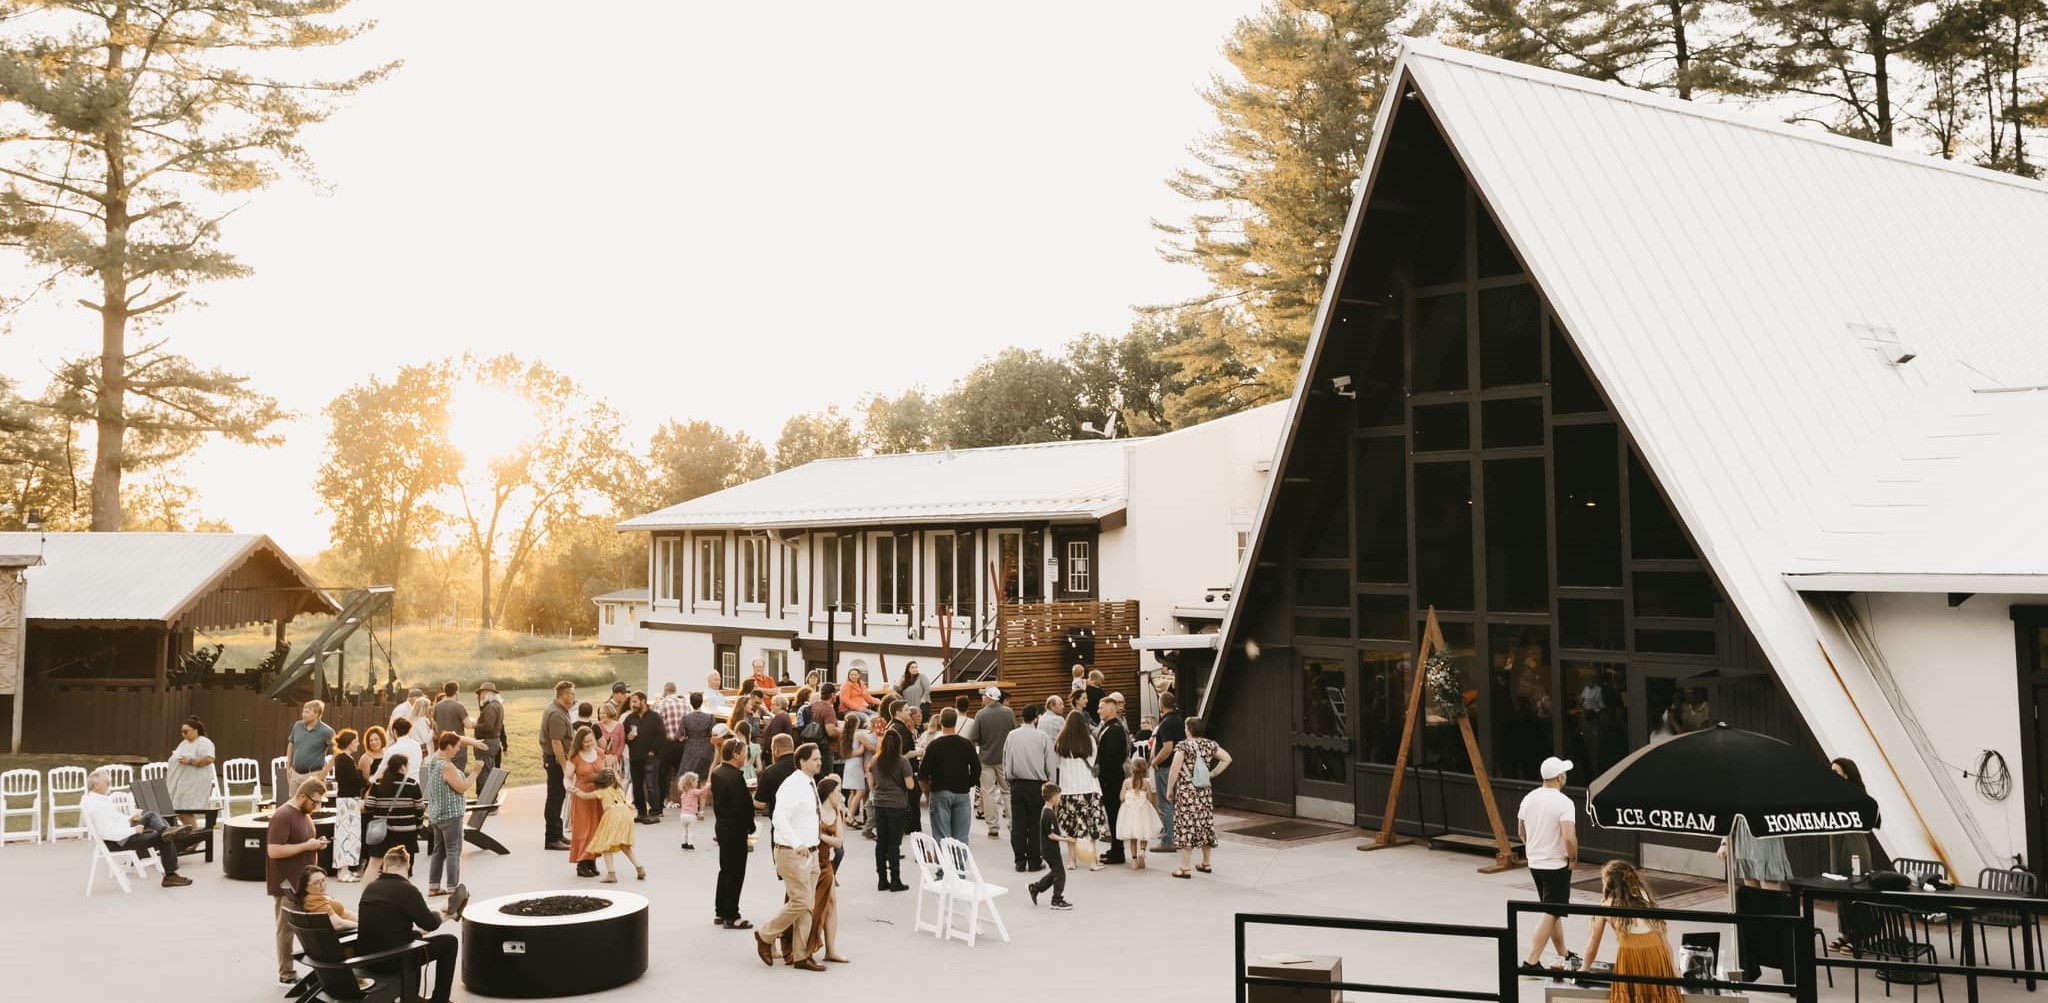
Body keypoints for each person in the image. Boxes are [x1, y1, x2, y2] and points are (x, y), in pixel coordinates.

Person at [755, 743, 825, 972]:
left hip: (811, 852)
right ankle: (765, 935)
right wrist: (797, 843)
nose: (819, 762)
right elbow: (779, 818)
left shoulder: (808, 782)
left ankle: (801, 955)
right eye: (815, 759)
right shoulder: (792, 785)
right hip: (792, 852)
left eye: (819, 758)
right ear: (803, 761)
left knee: (807, 906)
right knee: (801, 901)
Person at [358, 846, 459, 1003]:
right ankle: (440, 999)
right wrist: (444, 914)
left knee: (414, 936)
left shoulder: (371, 888)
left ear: (384, 866)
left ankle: (415, 995)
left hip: (367, 958)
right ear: (408, 865)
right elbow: (430, 923)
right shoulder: (407, 889)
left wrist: (444, 912)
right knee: (449, 942)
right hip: (393, 959)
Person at [1580, 860, 1681, 1003]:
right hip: (1657, 951)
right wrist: (1673, 969)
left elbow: (1593, 946)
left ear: (1609, 884)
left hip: (1630, 955)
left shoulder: (1606, 905)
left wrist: (1583, 970)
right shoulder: (1643, 898)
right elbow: (1664, 941)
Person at [1518, 755, 1581, 972]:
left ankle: (1562, 951)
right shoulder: (1564, 803)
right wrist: (1573, 858)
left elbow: (1521, 830)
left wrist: (1533, 846)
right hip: (1556, 864)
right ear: (1560, 777)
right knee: (1552, 910)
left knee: (1552, 910)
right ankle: (1531, 961)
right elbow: (1569, 837)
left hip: (1535, 862)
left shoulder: (1529, 798)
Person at [80, 768, 192, 887]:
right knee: (164, 837)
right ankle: (170, 875)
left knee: (151, 815)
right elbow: (107, 832)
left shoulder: (96, 800)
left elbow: (114, 819)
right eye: (107, 782)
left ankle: (166, 830)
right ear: (96, 785)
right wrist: (133, 830)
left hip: (123, 833)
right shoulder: (97, 806)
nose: (110, 784)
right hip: (120, 840)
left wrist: (130, 818)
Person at [268, 778, 328, 984]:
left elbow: (304, 843)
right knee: (287, 929)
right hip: (288, 883)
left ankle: (317, 969)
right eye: (315, 802)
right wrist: (306, 846)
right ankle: (286, 973)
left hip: (305, 882)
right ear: (302, 796)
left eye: (320, 803)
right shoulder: (283, 815)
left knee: (310, 927)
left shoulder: (305, 814)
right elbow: (273, 850)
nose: (317, 807)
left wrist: (317, 845)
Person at [1168, 716, 1230, 879]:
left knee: (1186, 825)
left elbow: (1174, 769)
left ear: (1189, 729)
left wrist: (1169, 789)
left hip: (1187, 791)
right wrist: (1212, 774)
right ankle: (1206, 863)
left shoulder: (1183, 746)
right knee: (1204, 823)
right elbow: (1227, 759)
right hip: (1204, 791)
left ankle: (1185, 868)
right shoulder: (1210, 744)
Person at [1003, 703, 1057, 872]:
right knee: (1035, 824)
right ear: (1036, 718)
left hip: (1017, 783)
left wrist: (1008, 777)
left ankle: (1019, 860)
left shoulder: (1012, 735)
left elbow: (1007, 758)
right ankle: (1034, 860)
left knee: (1018, 824)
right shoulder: (1042, 737)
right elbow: (1050, 762)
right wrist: (1051, 783)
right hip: (1037, 785)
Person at [710, 738, 755, 928]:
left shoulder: (717, 772)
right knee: (736, 872)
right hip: (735, 828)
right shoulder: (736, 777)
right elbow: (741, 807)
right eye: (744, 752)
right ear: (736, 755)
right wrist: (750, 825)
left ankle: (720, 910)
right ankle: (732, 914)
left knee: (726, 869)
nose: (746, 755)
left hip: (722, 825)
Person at [572, 768, 646, 882]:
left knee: (606, 847)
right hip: (626, 815)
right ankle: (640, 868)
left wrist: (575, 790)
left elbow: (584, 796)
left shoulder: (602, 791)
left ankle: (611, 874)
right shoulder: (619, 790)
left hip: (612, 815)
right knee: (626, 846)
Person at [1055, 710, 1107, 870]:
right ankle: (1092, 862)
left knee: (1070, 828)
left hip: (1067, 790)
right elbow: (1093, 759)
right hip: (1087, 789)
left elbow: (1058, 764)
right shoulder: (1089, 740)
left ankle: (1072, 861)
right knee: (1090, 827)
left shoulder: (1060, 742)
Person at [421, 732, 472, 897]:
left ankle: (434, 886)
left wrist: (474, 743)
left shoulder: (435, 759)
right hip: (451, 815)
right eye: (456, 747)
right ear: (449, 747)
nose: (458, 750)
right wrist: (476, 772)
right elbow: (462, 787)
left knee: (438, 851)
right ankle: (453, 887)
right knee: (453, 851)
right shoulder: (447, 766)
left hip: (436, 814)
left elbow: (452, 737)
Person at [918, 707, 980, 841]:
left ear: (941, 722)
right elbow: (977, 768)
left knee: (941, 834)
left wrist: (927, 788)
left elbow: (923, 772)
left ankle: (944, 860)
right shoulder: (966, 744)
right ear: (956, 721)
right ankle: (959, 861)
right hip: (961, 791)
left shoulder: (934, 745)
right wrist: (969, 783)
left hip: (940, 790)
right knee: (961, 835)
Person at [808, 774, 851, 964]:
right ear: (828, 793)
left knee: (832, 904)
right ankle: (794, 943)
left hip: (825, 863)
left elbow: (839, 841)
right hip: (810, 863)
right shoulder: (813, 811)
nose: (840, 796)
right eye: (838, 792)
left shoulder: (836, 812)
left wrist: (822, 836)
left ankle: (831, 950)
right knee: (805, 904)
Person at [362, 754, 424, 879]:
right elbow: (419, 809)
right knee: (404, 868)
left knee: (374, 866)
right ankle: (400, 894)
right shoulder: (412, 784)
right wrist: (419, 825)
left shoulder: (378, 783)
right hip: (406, 833)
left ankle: (366, 894)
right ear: (402, 767)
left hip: (382, 834)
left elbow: (369, 806)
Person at [869, 730, 913, 892]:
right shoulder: (902, 762)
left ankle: (882, 880)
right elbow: (910, 785)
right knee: (894, 844)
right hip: (897, 805)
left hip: (880, 804)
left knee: (881, 842)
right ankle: (895, 880)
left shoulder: (875, 760)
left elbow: (872, 783)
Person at [973, 686, 1015, 840]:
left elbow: (975, 737)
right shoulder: (1008, 712)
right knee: (1007, 791)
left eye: (984, 696)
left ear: (990, 698)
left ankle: (993, 827)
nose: (982, 698)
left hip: (986, 758)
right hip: (1004, 759)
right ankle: (1013, 824)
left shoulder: (981, 714)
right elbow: (1014, 732)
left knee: (988, 792)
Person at [1027, 783, 1073, 910]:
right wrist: (1066, 839)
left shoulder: (1046, 811)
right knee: (1060, 874)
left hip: (1047, 849)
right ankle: (1056, 899)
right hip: (1050, 849)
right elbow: (1051, 835)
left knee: (1055, 872)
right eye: (1058, 797)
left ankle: (1036, 887)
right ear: (1053, 797)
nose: (1059, 799)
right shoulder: (1049, 814)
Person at [1096, 693, 1130, 864]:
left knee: (1114, 813)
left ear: (1111, 709)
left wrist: (1104, 777)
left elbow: (1112, 757)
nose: (1098, 711)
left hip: (1112, 778)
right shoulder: (1108, 726)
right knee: (1111, 814)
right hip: (1109, 777)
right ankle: (1115, 849)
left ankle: (1118, 852)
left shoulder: (1115, 729)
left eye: (1101, 707)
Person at [328, 728, 366, 881]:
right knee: (346, 834)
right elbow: (355, 780)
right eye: (356, 741)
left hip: (349, 799)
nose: (357, 744)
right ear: (350, 743)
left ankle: (347, 868)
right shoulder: (344, 759)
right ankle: (342, 870)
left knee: (352, 834)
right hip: (348, 800)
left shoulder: (345, 758)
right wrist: (360, 776)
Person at [541, 680, 576, 850]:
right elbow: (556, 743)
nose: (574, 696)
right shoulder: (556, 714)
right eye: (572, 693)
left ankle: (558, 833)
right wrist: (564, 766)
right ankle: (552, 839)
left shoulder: (559, 710)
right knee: (555, 798)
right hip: (556, 762)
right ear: (565, 695)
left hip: (556, 761)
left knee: (559, 797)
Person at [1151, 691, 1186, 852]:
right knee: (1175, 802)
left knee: (1165, 804)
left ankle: (1167, 840)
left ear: (1162, 705)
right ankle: (1176, 836)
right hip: (1177, 766)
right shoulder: (1179, 720)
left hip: (1165, 767)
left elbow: (1167, 747)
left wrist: (1155, 761)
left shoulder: (1166, 723)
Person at [167, 715, 217, 826]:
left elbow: (209, 759)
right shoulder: (184, 743)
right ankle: (190, 836)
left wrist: (190, 761)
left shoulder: (204, 742)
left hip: (193, 784)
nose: (183, 734)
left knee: (184, 811)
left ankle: (194, 837)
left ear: (195, 730)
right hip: (180, 782)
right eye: (182, 732)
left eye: (186, 731)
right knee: (177, 810)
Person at [568, 728, 604, 877]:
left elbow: (607, 771)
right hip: (582, 794)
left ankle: (592, 860)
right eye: (586, 742)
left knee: (596, 828)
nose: (589, 744)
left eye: (591, 741)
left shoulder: (600, 753)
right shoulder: (575, 757)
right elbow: (568, 776)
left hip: (598, 794)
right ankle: (582, 862)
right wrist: (568, 787)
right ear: (579, 742)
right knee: (583, 828)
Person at [1116, 755, 1162, 868]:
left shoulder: (1127, 782)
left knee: (1133, 836)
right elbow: (1151, 799)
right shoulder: (1146, 783)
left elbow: (1121, 797)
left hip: (1130, 813)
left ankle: (1134, 860)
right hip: (1143, 812)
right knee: (1144, 833)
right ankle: (1142, 851)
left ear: (1132, 769)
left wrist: (1129, 797)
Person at [285, 700, 335, 796]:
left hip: (313, 775)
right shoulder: (298, 726)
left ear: (316, 714)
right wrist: (288, 767)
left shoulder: (327, 731)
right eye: (303, 711)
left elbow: (337, 752)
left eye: (307, 712)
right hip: (295, 774)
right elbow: (291, 744)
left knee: (312, 806)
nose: (303, 714)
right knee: (293, 806)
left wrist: (325, 772)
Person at [653, 682, 688, 816]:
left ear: (665, 691)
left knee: (663, 775)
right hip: (682, 743)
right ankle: (686, 803)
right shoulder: (685, 704)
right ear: (675, 690)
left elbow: (657, 725)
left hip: (666, 744)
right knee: (682, 774)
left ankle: (661, 805)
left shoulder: (661, 705)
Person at [294, 865, 358, 930]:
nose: (322, 885)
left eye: (323, 880)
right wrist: (359, 925)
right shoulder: (314, 901)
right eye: (316, 883)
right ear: (305, 886)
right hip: (353, 928)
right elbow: (338, 924)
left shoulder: (316, 894)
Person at [841, 710, 874, 830]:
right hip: (856, 764)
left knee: (853, 792)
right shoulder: (859, 734)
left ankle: (850, 816)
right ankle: (850, 816)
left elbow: (847, 753)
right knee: (860, 791)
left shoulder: (845, 735)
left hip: (849, 764)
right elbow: (865, 749)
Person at [678, 690, 718, 784]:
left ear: (691, 703)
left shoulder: (686, 718)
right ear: (702, 702)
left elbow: (680, 737)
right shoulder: (710, 717)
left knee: (689, 779)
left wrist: (687, 738)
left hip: (691, 749)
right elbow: (714, 733)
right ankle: (703, 798)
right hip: (706, 749)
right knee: (704, 778)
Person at [431, 681, 470, 770]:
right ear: (456, 692)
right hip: (457, 747)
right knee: (458, 774)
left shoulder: (437, 706)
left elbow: (435, 727)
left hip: (443, 747)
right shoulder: (459, 706)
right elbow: (468, 725)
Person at [473, 681, 505, 774]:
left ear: (488, 693)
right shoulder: (497, 705)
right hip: (493, 741)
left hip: (487, 742)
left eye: (482, 693)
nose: (480, 696)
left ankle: (485, 789)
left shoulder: (491, 707)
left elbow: (488, 726)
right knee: (488, 770)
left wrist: (474, 725)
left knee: (484, 773)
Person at [380, 717, 423, 784]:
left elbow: (381, 770)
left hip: (397, 786)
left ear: (394, 731)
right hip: (415, 785)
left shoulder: (391, 750)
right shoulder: (417, 746)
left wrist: (372, 781)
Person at [674, 771, 705, 850]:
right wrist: (707, 786)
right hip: (691, 815)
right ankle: (690, 844)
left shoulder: (683, 794)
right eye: (696, 781)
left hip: (683, 815)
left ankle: (684, 843)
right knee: (691, 831)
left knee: (684, 830)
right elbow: (701, 792)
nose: (697, 783)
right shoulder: (693, 791)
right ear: (691, 783)